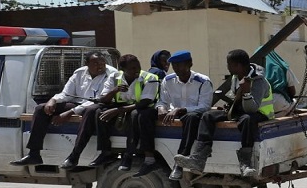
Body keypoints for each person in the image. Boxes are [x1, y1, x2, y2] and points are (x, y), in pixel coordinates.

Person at [175, 49, 273, 178]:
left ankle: (245, 164)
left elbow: (252, 109)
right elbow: (237, 99)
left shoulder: (258, 81)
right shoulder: (235, 77)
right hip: (240, 111)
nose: (227, 67)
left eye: (229, 64)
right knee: (208, 115)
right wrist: (230, 106)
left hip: (260, 113)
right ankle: (199, 158)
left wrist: (247, 92)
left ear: (238, 65)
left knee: (247, 120)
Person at [13, 51, 120, 167]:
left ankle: (75, 156)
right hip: (78, 103)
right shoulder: (79, 73)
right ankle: (34, 154)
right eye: (95, 63)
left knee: (90, 111)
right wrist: (53, 100)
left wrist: (71, 112)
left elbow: (99, 99)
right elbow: (67, 94)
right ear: (87, 64)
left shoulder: (111, 74)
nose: (100, 66)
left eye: (102, 63)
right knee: (41, 108)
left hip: (98, 105)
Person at [98, 54, 163, 176]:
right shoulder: (115, 77)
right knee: (97, 111)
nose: (136, 70)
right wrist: (115, 90)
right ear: (123, 70)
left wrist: (119, 110)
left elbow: (145, 102)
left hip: (145, 109)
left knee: (135, 115)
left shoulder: (150, 77)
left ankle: (130, 155)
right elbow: (103, 99)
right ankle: (105, 152)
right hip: (126, 107)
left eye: (138, 66)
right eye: (132, 68)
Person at [156, 50, 213, 181]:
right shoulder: (168, 80)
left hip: (194, 117)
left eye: (180, 65)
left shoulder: (203, 81)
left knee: (191, 117)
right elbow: (162, 100)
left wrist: (180, 109)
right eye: (174, 65)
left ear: (190, 64)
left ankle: (180, 163)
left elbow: (205, 106)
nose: (176, 69)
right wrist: (161, 108)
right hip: (173, 116)